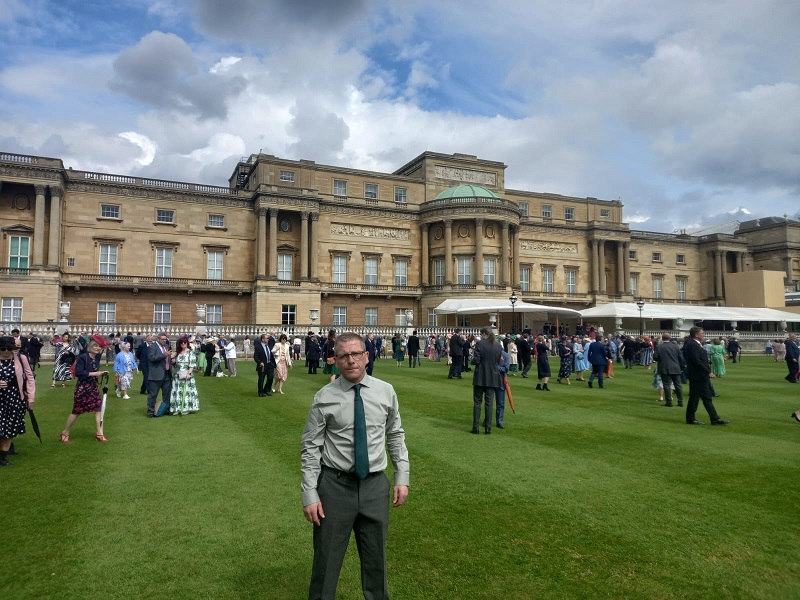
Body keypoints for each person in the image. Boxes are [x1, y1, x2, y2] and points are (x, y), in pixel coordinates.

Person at [300, 332, 409, 599]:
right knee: (326, 563)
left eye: (356, 354)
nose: (351, 361)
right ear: (336, 360)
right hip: (335, 488)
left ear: (366, 356)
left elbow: (395, 434)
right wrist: (309, 493)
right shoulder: (324, 396)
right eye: (344, 356)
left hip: (374, 486)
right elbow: (310, 447)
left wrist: (401, 476)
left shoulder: (386, 391)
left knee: (376, 563)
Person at [60, 338, 110, 442]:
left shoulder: (96, 357)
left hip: (93, 387)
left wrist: (101, 373)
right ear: (90, 346)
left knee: (98, 409)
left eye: (99, 346)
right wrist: (95, 373)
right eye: (95, 345)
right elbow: (79, 373)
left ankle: (100, 433)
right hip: (82, 388)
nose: (98, 348)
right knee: (76, 411)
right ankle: (65, 432)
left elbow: (106, 345)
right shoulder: (83, 357)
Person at [682, 327, 730, 426]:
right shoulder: (692, 345)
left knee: (706, 397)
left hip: (700, 376)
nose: (704, 335)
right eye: (702, 333)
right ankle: (691, 418)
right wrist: (708, 371)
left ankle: (714, 418)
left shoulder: (694, 344)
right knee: (695, 398)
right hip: (697, 375)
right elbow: (696, 360)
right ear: (696, 335)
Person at [0, 336, 35, 466]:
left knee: (10, 428)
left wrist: (30, 397)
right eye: (3, 348)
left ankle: (3, 457)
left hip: (14, 398)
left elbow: (30, 377)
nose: (6, 351)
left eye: (10, 348)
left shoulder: (20, 358)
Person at [471, 328, 502, 434]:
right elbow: (497, 361)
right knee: (489, 403)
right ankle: (488, 428)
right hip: (493, 376)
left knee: (477, 402)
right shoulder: (498, 345)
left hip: (481, 375)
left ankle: (476, 427)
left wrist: (473, 361)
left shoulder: (480, 344)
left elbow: (476, 360)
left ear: (484, 334)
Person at [653, 333, 685, 407]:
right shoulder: (676, 347)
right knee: (678, 385)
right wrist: (681, 367)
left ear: (662, 338)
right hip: (675, 367)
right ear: (670, 338)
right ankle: (680, 401)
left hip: (665, 367)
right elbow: (681, 358)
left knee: (666, 385)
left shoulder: (659, 347)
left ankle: (669, 402)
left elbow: (655, 357)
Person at [146, 332, 173, 418]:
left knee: (167, 394)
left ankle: (166, 409)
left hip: (167, 373)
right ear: (158, 339)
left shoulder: (166, 347)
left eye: (165, 339)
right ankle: (150, 410)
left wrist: (172, 360)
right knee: (153, 394)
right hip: (156, 374)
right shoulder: (151, 347)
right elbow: (152, 358)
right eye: (163, 339)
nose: (164, 341)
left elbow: (168, 358)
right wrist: (165, 355)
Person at [170, 336, 198, 415]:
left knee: (185, 391)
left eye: (184, 342)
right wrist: (174, 362)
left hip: (186, 373)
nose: (183, 344)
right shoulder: (178, 353)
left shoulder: (190, 352)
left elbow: (192, 364)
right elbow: (177, 363)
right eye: (181, 342)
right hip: (177, 373)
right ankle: (177, 408)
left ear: (187, 343)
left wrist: (189, 373)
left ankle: (185, 408)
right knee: (177, 390)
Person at [496, 343, 510, 429]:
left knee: (500, 403)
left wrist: (497, 368)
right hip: (491, 380)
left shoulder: (505, 355)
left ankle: (499, 421)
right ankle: (487, 420)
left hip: (501, 380)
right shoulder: (491, 353)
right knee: (488, 402)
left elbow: (506, 368)